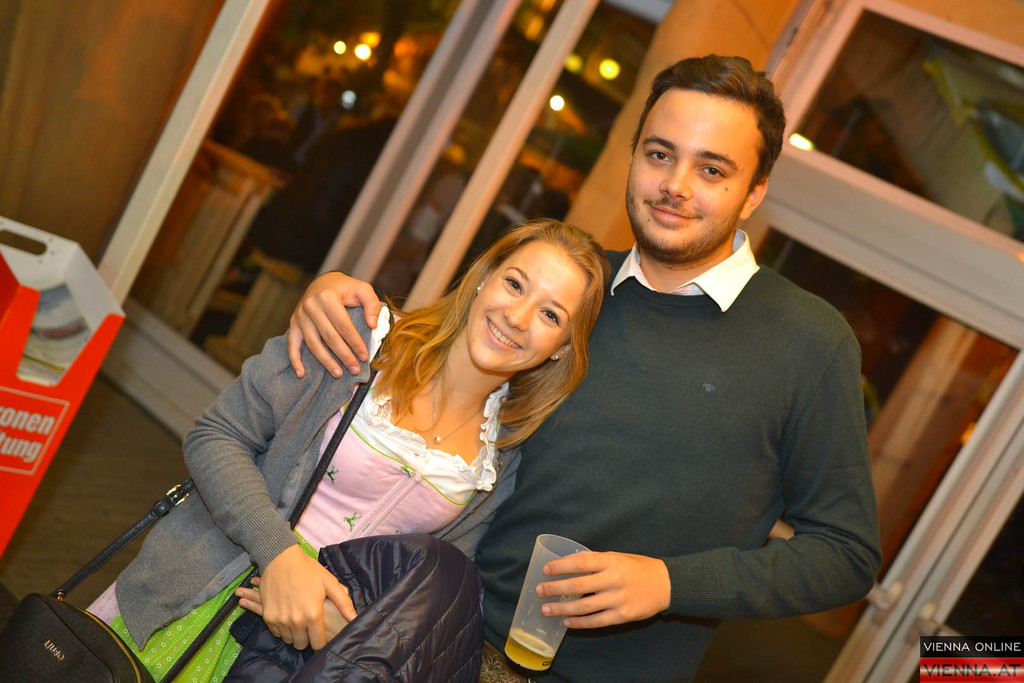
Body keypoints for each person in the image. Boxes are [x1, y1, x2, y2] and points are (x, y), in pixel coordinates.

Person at [286, 55, 883, 681]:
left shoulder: (808, 344)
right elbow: (431, 363)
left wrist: (669, 583)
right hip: (426, 642)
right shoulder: (571, 292)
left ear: (754, 192)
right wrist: (337, 297)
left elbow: (845, 555)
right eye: (659, 155)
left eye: (712, 169)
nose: (676, 185)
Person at [88, 220, 609, 681]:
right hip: (197, 593)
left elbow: (425, 588)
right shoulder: (361, 337)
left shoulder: (501, 460)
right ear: (482, 279)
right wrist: (281, 557)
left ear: (562, 347)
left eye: (550, 314)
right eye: (514, 284)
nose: (517, 316)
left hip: (301, 660)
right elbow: (217, 435)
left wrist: (354, 629)